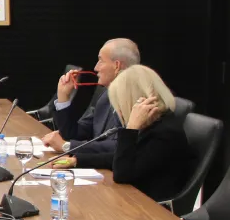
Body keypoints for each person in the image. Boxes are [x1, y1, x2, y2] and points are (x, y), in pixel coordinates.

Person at [42, 38, 140, 168]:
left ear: (117, 65)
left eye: (101, 60)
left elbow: (119, 145)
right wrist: (63, 97)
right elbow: (74, 133)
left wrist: (67, 146)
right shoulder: (106, 96)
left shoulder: (138, 99)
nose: (96, 67)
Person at [104, 65, 192, 202]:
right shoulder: (155, 124)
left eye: (120, 104)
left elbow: (122, 174)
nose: (119, 111)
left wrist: (131, 127)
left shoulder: (165, 134)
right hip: (136, 199)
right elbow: (121, 158)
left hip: (153, 212)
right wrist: (77, 160)